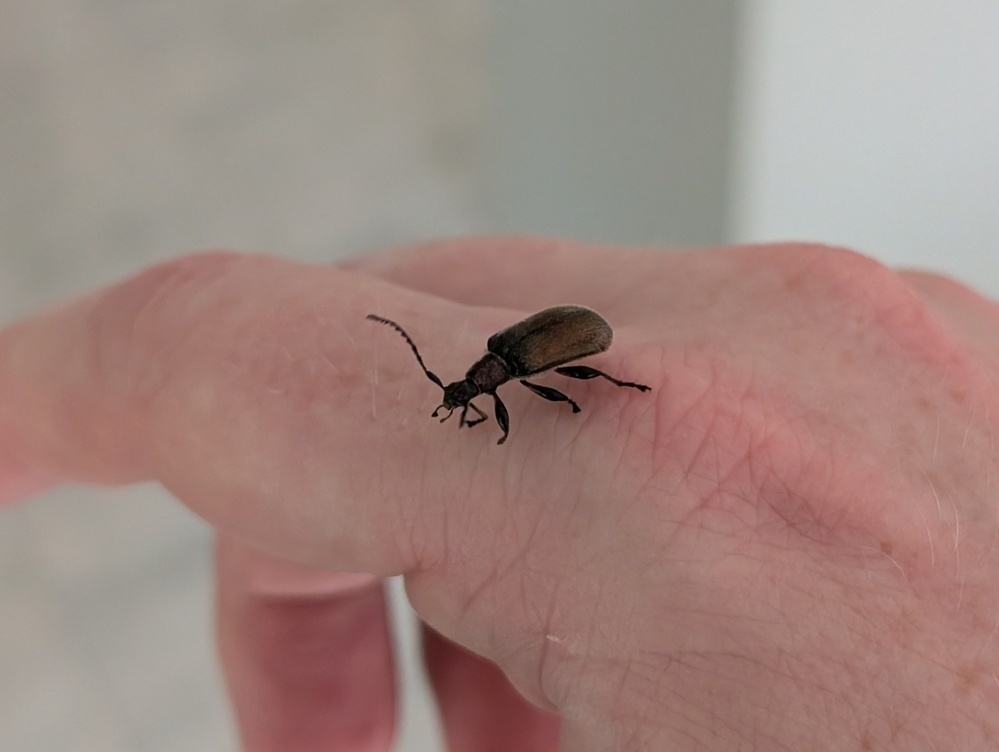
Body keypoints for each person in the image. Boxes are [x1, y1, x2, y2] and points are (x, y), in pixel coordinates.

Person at [1, 237, 997, 751]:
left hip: (579, 335)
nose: (470, 404)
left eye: (470, 400)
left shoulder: (510, 365)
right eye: (470, 399)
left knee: (591, 394)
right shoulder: (488, 365)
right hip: (555, 330)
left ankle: (625, 390)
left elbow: (568, 347)